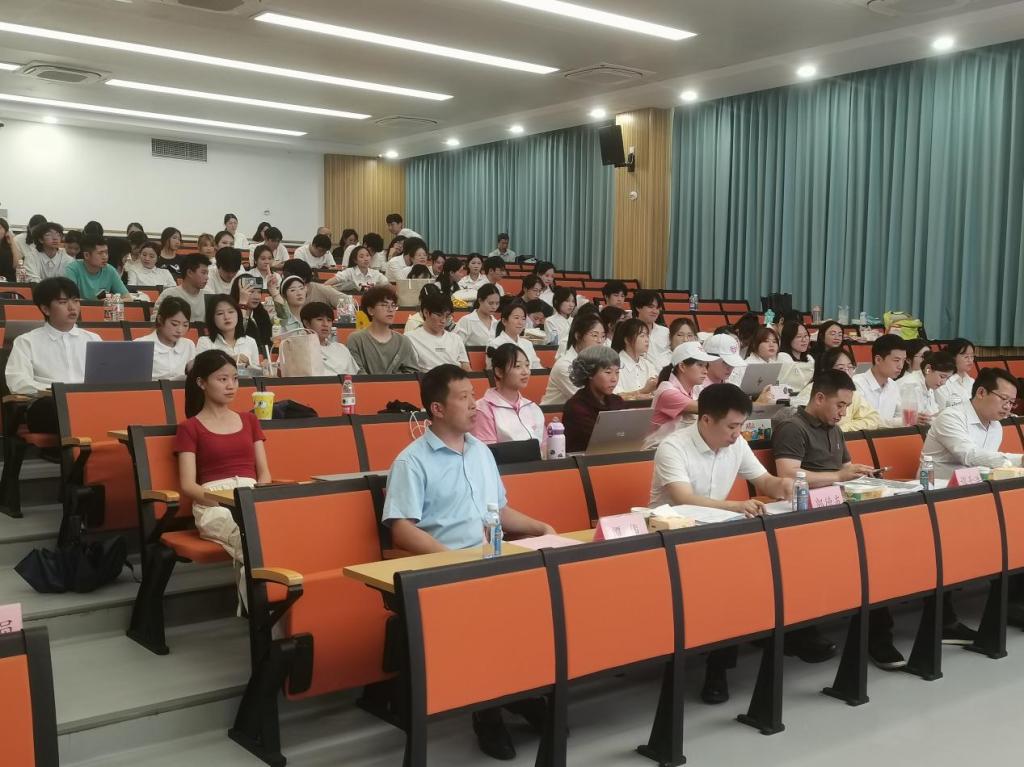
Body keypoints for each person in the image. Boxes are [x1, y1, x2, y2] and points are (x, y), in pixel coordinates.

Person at [382, 364, 554, 759]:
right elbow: (402, 529)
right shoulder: (412, 461)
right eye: (463, 398)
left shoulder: (480, 452)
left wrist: (540, 527)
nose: (475, 405)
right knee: (489, 615)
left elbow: (500, 510)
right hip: (443, 569)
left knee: (542, 602)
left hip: (488, 559)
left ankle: (521, 693)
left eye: (474, 396)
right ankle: (487, 713)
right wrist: (451, 560)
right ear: (437, 409)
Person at [650, 383, 795, 704]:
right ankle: (708, 666)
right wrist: (736, 506)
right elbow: (683, 498)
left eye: (741, 426)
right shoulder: (673, 447)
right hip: (671, 540)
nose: (737, 434)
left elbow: (764, 481)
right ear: (706, 420)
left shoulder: (736, 444)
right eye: (731, 426)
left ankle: (726, 664)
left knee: (762, 573)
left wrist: (782, 486)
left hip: (715, 536)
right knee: (730, 581)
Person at [771, 370, 877, 665]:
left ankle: (874, 628)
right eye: (839, 405)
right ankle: (802, 633)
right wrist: (839, 476)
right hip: (803, 512)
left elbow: (844, 468)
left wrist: (857, 473)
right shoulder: (793, 427)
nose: (843, 413)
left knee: (875, 551)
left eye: (847, 407)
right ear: (819, 398)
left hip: (835, 506)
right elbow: (788, 474)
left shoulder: (835, 429)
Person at [175, 350, 271, 604]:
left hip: (251, 497)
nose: (231, 385)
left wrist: (256, 500)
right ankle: (263, 612)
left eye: (235, 378)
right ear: (201, 383)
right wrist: (227, 502)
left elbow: (264, 473)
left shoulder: (250, 420)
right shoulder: (190, 427)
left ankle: (263, 609)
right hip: (212, 504)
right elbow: (188, 485)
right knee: (251, 539)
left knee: (273, 533)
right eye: (222, 379)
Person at [5, 277, 101, 433]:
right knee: (56, 407)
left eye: (76, 301)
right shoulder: (26, 341)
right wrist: (54, 390)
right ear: (46, 309)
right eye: (63, 302)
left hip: (87, 400)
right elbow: (18, 382)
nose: (72, 307)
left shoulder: (93, 339)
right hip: (48, 403)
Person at [922, 367, 1023, 479]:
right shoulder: (951, 417)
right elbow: (969, 455)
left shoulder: (996, 426)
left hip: (974, 485)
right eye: (1004, 398)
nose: (1007, 407)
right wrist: (1020, 460)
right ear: (981, 392)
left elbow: (986, 464)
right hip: (936, 486)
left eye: (1011, 402)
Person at [791, 348, 882, 431]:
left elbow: (873, 418)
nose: (847, 373)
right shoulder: (813, 390)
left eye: (850, 367)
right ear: (826, 370)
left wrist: (843, 428)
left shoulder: (850, 393)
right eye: (841, 368)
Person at [474, 343, 546, 448]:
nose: (525, 372)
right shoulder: (483, 409)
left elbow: (545, 447)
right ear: (499, 372)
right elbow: (488, 452)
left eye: (527, 365)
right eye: (517, 366)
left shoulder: (533, 407)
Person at [646, 341, 717, 447]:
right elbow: (709, 408)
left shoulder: (696, 389)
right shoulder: (668, 392)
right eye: (700, 365)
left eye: (706, 366)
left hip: (679, 447)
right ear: (682, 367)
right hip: (655, 451)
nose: (705, 371)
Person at [562, 345, 625, 453]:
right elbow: (602, 440)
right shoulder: (575, 406)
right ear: (590, 373)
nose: (614, 379)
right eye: (608, 372)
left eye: (617, 372)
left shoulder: (617, 401)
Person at [345, 285, 419, 374]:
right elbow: (357, 373)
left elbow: (411, 374)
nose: (390, 309)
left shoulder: (403, 341)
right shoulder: (356, 339)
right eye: (384, 305)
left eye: (393, 305)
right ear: (370, 310)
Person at [541, 314, 606, 406]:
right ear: (578, 336)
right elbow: (588, 399)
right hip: (556, 414)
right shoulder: (565, 365)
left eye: (603, 336)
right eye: (594, 335)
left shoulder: (600, 362)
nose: (600, 341)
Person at [406, 291, 471, 372]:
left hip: (456, 377)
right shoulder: (410, 338)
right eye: (439, 315)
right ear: (426, 312)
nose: (443, 320)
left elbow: (466, 367)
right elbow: (411, 372)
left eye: (447, 316)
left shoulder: (456, 338)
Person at [853, 334, 908, 427]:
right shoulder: (857, 384)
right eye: (896, 360)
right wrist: (906, 420)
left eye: (903, 360)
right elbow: (866, 422)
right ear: (878, 360)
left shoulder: (893, 385)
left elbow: (899, 416)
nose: (901, 366)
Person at [136, 297, 196, 379]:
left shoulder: (188, 344)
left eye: (185, 325)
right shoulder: (141, 345)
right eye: (174, 324)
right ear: (160, 319)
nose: (180, 330)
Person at [197, 295, 261, 370]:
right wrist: (229, 360)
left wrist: (251, 366)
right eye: (220, 313)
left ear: (238, 314)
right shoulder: (205, 342)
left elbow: (257, 373)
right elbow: (199, 370)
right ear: (212, 318)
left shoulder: (250, 342)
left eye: (231, 312)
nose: (226, 317)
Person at [299, 302, 360, 375]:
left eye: (329, 320)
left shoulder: (341, 349)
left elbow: (353, 377)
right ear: (306, 323)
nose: (325, 324)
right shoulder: (298, 349)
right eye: (319, 319)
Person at [64, 235, 129, 299]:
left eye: (106, 252)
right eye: (100, 253)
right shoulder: (73, 269)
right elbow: (71, 298)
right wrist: (97, 303)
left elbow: (127, 297)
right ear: (86, 255)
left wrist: (113, 301)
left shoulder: (110, 270)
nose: (105, 257)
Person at [898, 350, 954, 421]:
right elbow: (912, 420)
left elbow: (931, 414)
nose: (944, 382)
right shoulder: (910, 385)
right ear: (928, 369)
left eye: (947, 378)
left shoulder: (928, 385)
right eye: (942, 377)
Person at [154, 253, 210, 323]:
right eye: (203, 273)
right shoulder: (169, 294)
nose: (207, 277)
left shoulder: (209, 295)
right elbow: (156, 322)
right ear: (189, 273)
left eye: (207, 273)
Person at [487, 299, 542, 369]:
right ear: (504, 321)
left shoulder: (528, 344)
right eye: (516, 318)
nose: (520, 322)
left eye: (523, 319)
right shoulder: (495, 344)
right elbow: (494, 371)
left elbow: (537, 368)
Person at [612, 319, 659, 399]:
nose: (647, 340)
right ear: (627, 340)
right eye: (642, 336)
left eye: (647, 335)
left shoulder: (648, 365)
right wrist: (642, 391)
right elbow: (615, 396)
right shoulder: (614, 364)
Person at [231, 278, 272, 355]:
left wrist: (275, 293)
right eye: (251, 291)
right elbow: (238, 334)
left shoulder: (262, 313)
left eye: (259, 292)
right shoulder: (230, 313)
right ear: (239, 293)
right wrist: (242, 303)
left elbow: (268, 341)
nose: (257, 297)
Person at [631, 290, 670, 370]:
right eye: (650, 307)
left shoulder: (665, 332)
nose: (655, 311)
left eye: (657, 308)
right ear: (638, 308)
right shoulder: (629, 331)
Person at [936, 338, 976, 410]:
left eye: (972, 356)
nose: (970, 360)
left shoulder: (972, 381)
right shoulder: (942, 383)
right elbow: (945, 409)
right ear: (953, 357)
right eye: (966, 356)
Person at [0, 217, 17, 281]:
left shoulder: (10, 248)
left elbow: (18, 266)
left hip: (8, 283)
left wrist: (12, 242)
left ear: (6, 231)